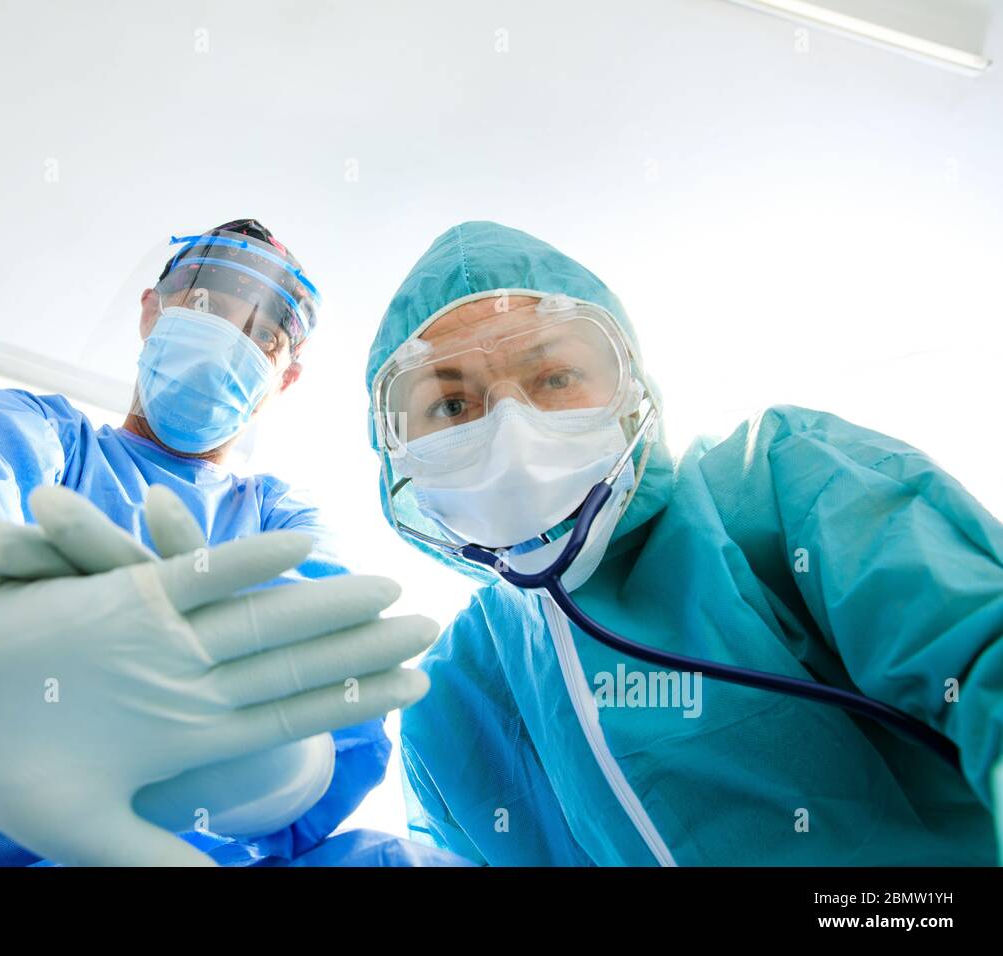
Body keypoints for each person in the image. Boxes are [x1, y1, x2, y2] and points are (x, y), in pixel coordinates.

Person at [0, 219, 451, 867]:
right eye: (208, 304)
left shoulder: (280, 519)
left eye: (265, 335)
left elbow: (333, 670)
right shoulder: (34, 433)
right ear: (152, 312)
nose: (228, 336)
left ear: (287, 377)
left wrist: (281, 769)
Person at [365, 220, 1003, 865]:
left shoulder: (779, 483)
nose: (511, 428)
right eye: (449, 406)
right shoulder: (451, 698)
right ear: (395, 451)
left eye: (555, 376)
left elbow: (976, 644)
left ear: (631, 390)